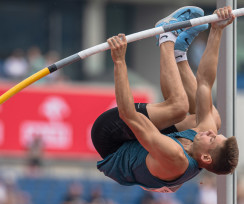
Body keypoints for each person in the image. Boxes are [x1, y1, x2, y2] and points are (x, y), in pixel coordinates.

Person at [91, 6, 239, 193]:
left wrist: (119, 61)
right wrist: (217, 29)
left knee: (178, 107)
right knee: (212, 118)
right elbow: (204, 84)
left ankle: (167, 37)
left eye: (212, 139)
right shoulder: (200, 147)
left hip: (110, 139)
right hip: (143, 144)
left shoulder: (176, 157)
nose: (210, 133)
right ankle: (179, 53)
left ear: (207, 158)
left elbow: (127, 114)